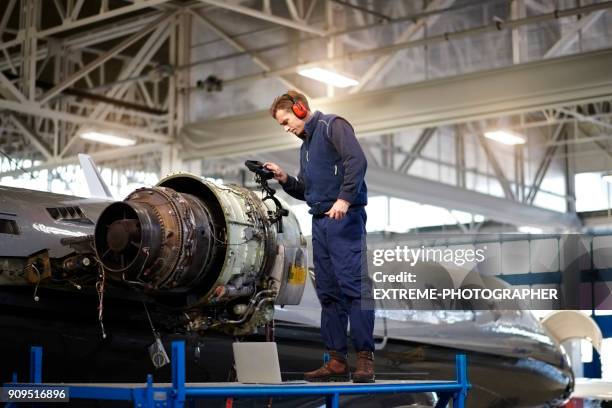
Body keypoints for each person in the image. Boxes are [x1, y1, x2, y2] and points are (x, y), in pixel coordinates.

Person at [264, 91, 375, 383]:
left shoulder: (333, 126)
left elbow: (357, 162)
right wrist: (285, 179)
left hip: (344, 218)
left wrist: (345, 199)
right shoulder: (307, 146)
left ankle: (365, 359)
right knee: (327, 291)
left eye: (287, 120)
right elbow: (308, 191)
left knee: (354, 286)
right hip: (322, 222)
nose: (286, 128)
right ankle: (337, 360)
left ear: (300, 109)